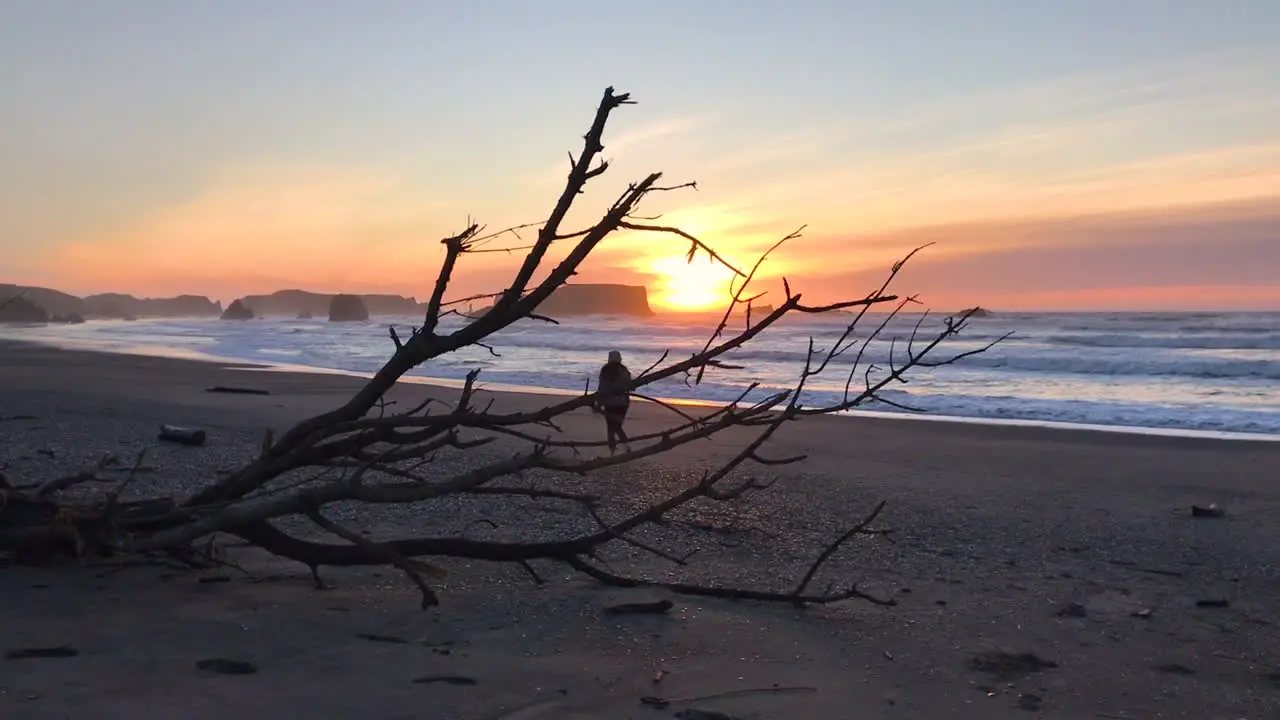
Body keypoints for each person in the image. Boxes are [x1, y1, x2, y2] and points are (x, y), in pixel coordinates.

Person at [595, 349, 632, 453]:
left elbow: (602, 388)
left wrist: (599, 403)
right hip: (622, 403)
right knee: (617, 426)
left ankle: (615, 450)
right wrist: (627, 402)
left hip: (609, 403)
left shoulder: (605, 370)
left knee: (611, 427)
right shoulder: (624, 370)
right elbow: (629, 386)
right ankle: (626, 446)